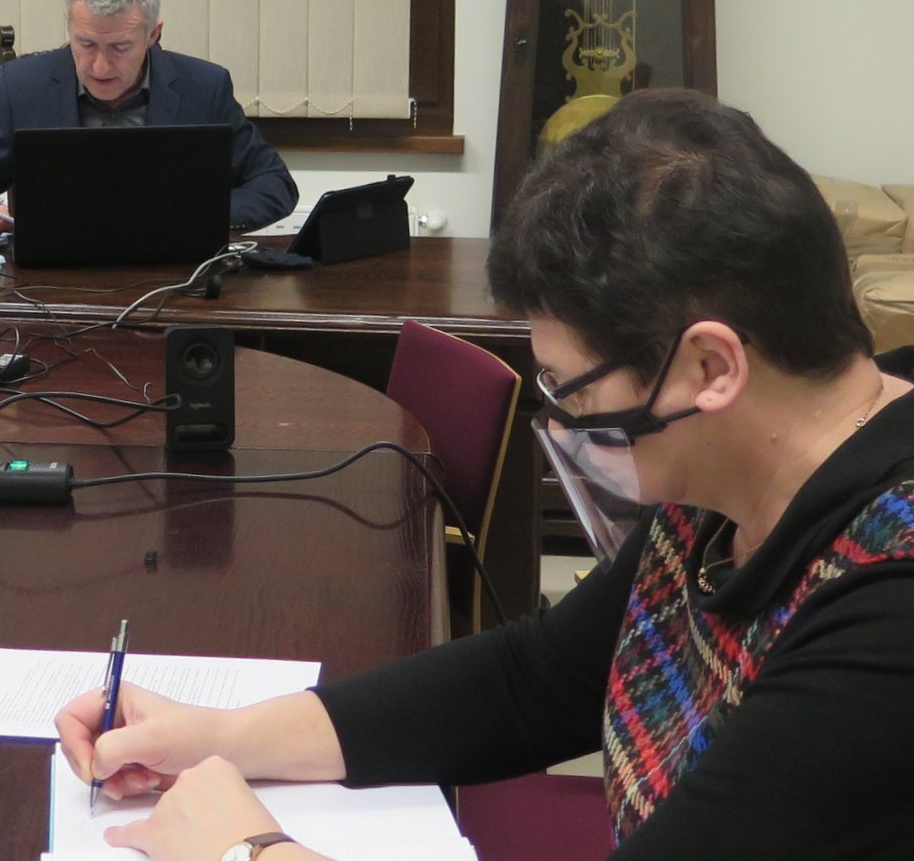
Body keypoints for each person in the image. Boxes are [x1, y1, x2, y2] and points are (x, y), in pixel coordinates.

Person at [55, 88, 914, 860]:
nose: (570, 418)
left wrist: (244, 851)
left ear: (709, 368)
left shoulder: (887, 606)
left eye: (575, 388)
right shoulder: (737, 461)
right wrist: (218, 736)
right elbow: (535, 679)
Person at [0, 0, 298, 239]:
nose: (100, 66)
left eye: (120, 47)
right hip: (50, 284)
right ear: (69, 26)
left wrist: (193, 216)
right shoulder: (23, 86)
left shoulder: (203, 88)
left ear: (153, 34)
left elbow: (274, 185)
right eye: (86, 44)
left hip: (174, 278)